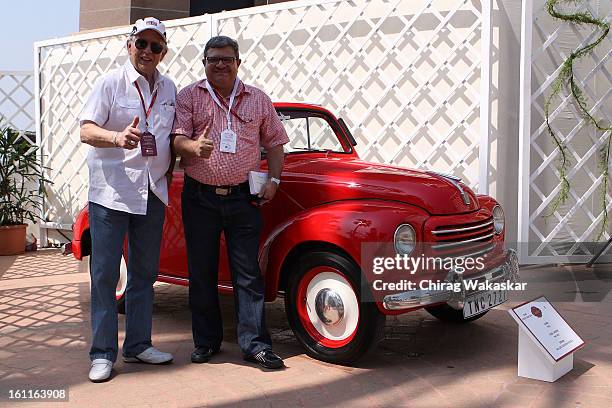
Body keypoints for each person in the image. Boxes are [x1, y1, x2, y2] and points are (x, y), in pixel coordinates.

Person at [172, 35, 289, 369]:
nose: (219, 64)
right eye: (212, 59)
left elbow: (276, 143)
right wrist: (192, 148)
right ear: (204, 63)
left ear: (238, 63)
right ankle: (206, 342)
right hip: (199, 198)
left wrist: (275, 181)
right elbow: (177, 139)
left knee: (248, 273)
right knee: (202, 271)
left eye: (226, 59)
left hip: (243, 198)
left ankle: (255, 345)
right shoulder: (188, 96)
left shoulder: (258, 99)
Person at [79, 17, 176, 382]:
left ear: (163, 52)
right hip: (112, 192)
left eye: (156, 46)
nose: (147, 51)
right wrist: (118, 138)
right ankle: (103, 353)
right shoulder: (110, 83)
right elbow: (87, 130)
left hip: (152, 191)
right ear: (129, 45)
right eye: (142, 44)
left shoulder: (169, 88)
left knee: (145, 274)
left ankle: (138, 345)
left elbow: (170, 136)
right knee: (105, 275)